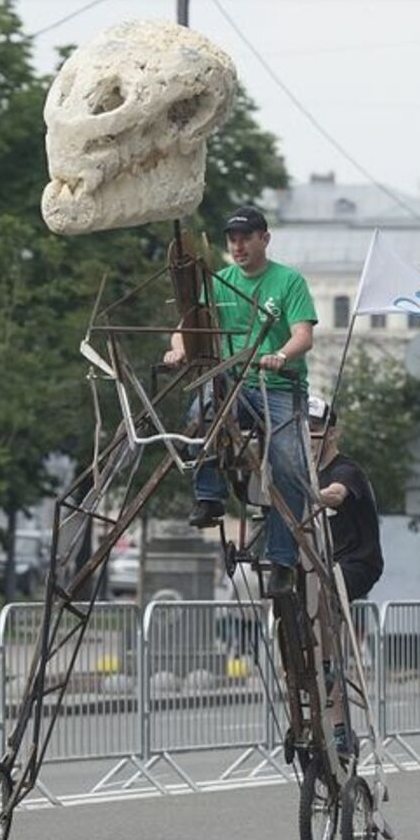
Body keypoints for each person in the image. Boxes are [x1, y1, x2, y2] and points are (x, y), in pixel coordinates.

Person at [164, 206, 318, 597]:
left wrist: (281, 355)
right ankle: (208, 497)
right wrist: (178, 349)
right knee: (201, 413)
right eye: (233, 239)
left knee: (288, 463)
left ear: (264, 239)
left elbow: (303, 334)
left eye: (246, 238)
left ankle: (282, 560)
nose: (238, 246)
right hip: (234, 382)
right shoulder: (219, 282)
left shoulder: (288, 281)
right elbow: (189, 324)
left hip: (279, 386)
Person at [308, 395, 382, 755]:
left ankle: (326, 667)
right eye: (302, 429)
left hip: (356, 563)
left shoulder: (345, 470)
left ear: (332, 432)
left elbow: (334, 495)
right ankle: (332, 725)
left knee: (323, 591)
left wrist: (306, 494)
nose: (308, 436)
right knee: (294, 604)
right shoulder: (302, 469)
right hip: (320, 564)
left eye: (316, 430)